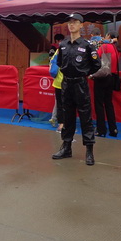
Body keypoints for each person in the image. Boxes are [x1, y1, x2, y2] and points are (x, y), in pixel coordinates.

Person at [52, 13, 101, 166]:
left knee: (86, 117)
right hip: (66, 84)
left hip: (80, 84)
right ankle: (66, 147)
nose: (71, 25)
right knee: (67, 117)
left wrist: (84, 73)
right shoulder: (63, 45)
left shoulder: (87, 45)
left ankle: (89, 150)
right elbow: (59, 63)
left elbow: (97, 65)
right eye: (69, 22)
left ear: (81, 25)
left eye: (75, 22)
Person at [92, 31, 120, 137]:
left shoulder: (104, 46)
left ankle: (101, 129)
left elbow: (96, 58)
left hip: (102, 77)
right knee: (109, 104)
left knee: (99, 104)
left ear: (108, 36)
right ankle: (113, 129)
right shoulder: (115, 48)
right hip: (112, 77)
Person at [49, 48, 64, 132]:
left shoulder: (58, 50)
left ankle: (60, 124)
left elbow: (52, 63)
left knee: (59, 105)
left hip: (57, 82)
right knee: (69, 105)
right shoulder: (72, 51)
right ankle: (65, 124)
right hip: (68, 83)